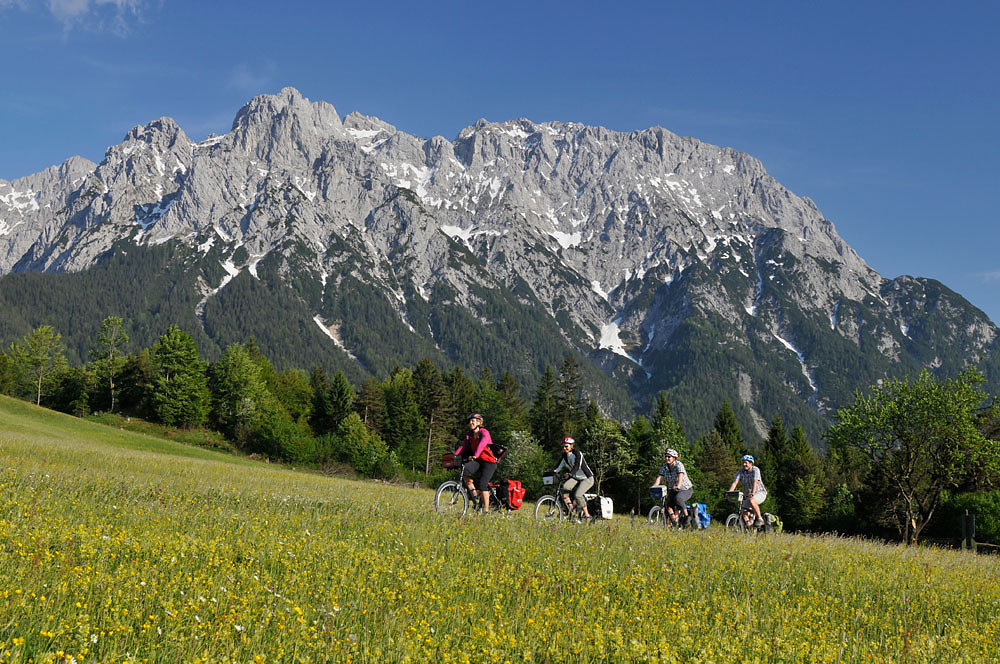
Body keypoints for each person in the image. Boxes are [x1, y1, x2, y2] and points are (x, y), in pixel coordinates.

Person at [454, 413, 499, 512]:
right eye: (470, 421)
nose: (471, 423)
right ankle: (474, 493)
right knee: (464, 469)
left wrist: (475, 455)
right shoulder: (469, 435)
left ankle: (486, 511)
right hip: (478, 461)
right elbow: (463, 447)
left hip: (489, 462)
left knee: (483, 485)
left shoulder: (484, 432)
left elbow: (482, 444)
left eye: (473, 421)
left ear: (479, 422)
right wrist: (454, 456)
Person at [552, 436, 593, 520]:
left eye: (566, 446)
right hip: (575, 477)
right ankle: (570, 507)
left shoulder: (578, 453)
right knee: (564, 488)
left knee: (578, 495)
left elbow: (577, 466)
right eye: (563, 446)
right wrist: (552, 473)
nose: (564, 448)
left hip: (587, 478)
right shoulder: (565, 456)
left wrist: (570, 474)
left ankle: (587, 515)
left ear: (572, 446)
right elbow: (558, 468)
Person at [652, 448, 693, 526]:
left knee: (678, 499)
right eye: (666, 456)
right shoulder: (665, 466)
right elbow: (660, 477)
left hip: (685, 489)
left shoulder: (679, 465)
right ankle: (673, 520)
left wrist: (679, 485)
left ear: (674, 458)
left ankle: (687, 517)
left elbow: (681, 475)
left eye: (669, 457)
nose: (667, 458)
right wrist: (655, 486)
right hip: (673, 488)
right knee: (668, 503)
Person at [728, 454, 767, 526]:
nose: (744, 464)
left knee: (752, 500)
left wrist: (753, 493)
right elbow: (735, 483)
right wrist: (729, 492)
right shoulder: (741, 471)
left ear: (751, 463)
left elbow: (755, 481)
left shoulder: (755, 470)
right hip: (748, 495)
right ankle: (750, 525)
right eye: (743, 462)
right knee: (743, 509)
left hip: (760, 493)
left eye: (746, 462)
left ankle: (760, 519)